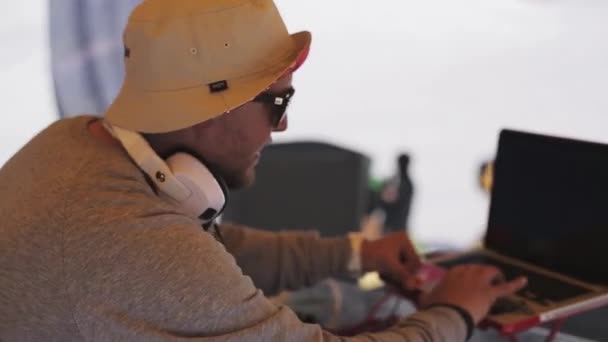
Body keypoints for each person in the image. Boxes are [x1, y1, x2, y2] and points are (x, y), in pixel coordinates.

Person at [0, 0, 526, 340]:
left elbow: (208, 257)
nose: (283, 125)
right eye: (276, 103)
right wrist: (455, 312)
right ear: (209, 110)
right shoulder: (135, 243)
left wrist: (354, 253)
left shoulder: (76, 140)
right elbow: (173, 264)